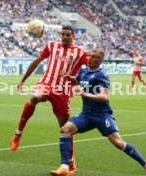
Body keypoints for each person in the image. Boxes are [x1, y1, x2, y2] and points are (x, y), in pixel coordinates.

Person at [50, 49, 146, 176]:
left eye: (94, 57)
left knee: (118, 143)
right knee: (65, 130)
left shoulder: (102, 75)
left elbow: (104, 97)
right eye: (89, 56)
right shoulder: (83, 71)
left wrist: (85, 94)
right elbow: (77, 81)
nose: (90, 58)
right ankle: (64, 167)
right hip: (86, 115)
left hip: (102, 116)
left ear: (100, 61)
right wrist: (69, 78)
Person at [10, 25, 88, 174]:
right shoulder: (52, 46)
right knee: (35, 97)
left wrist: (80, 84)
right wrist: (23, 80)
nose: (65, 37)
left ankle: (71, 163)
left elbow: (89, 70)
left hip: (63, 91)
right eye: (63, 34)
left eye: (68, 35)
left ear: (73, 37)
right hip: (46, 83)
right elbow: (36, 62)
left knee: (66, 129)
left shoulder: (80, 53)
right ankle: (18, 134)